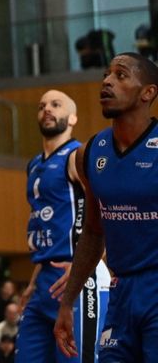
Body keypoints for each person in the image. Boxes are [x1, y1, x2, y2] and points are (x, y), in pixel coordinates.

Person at [56, 53, 158, 360]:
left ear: (148, 93)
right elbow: (93, 232)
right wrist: (67, 302)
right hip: (121, 290)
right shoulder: (91, 153)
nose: (107, 81)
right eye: (106, 75)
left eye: (121, 75)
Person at [18, 90, 108, 363]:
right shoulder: (34, 164)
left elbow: (105, 211)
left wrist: (86, 264)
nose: (47, 109)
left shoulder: (76, 156)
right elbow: (52, 226)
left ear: (72, 118)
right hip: (45, 275)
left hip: (77, 274)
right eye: (42, 105)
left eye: (56, 105)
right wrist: (33, 281)